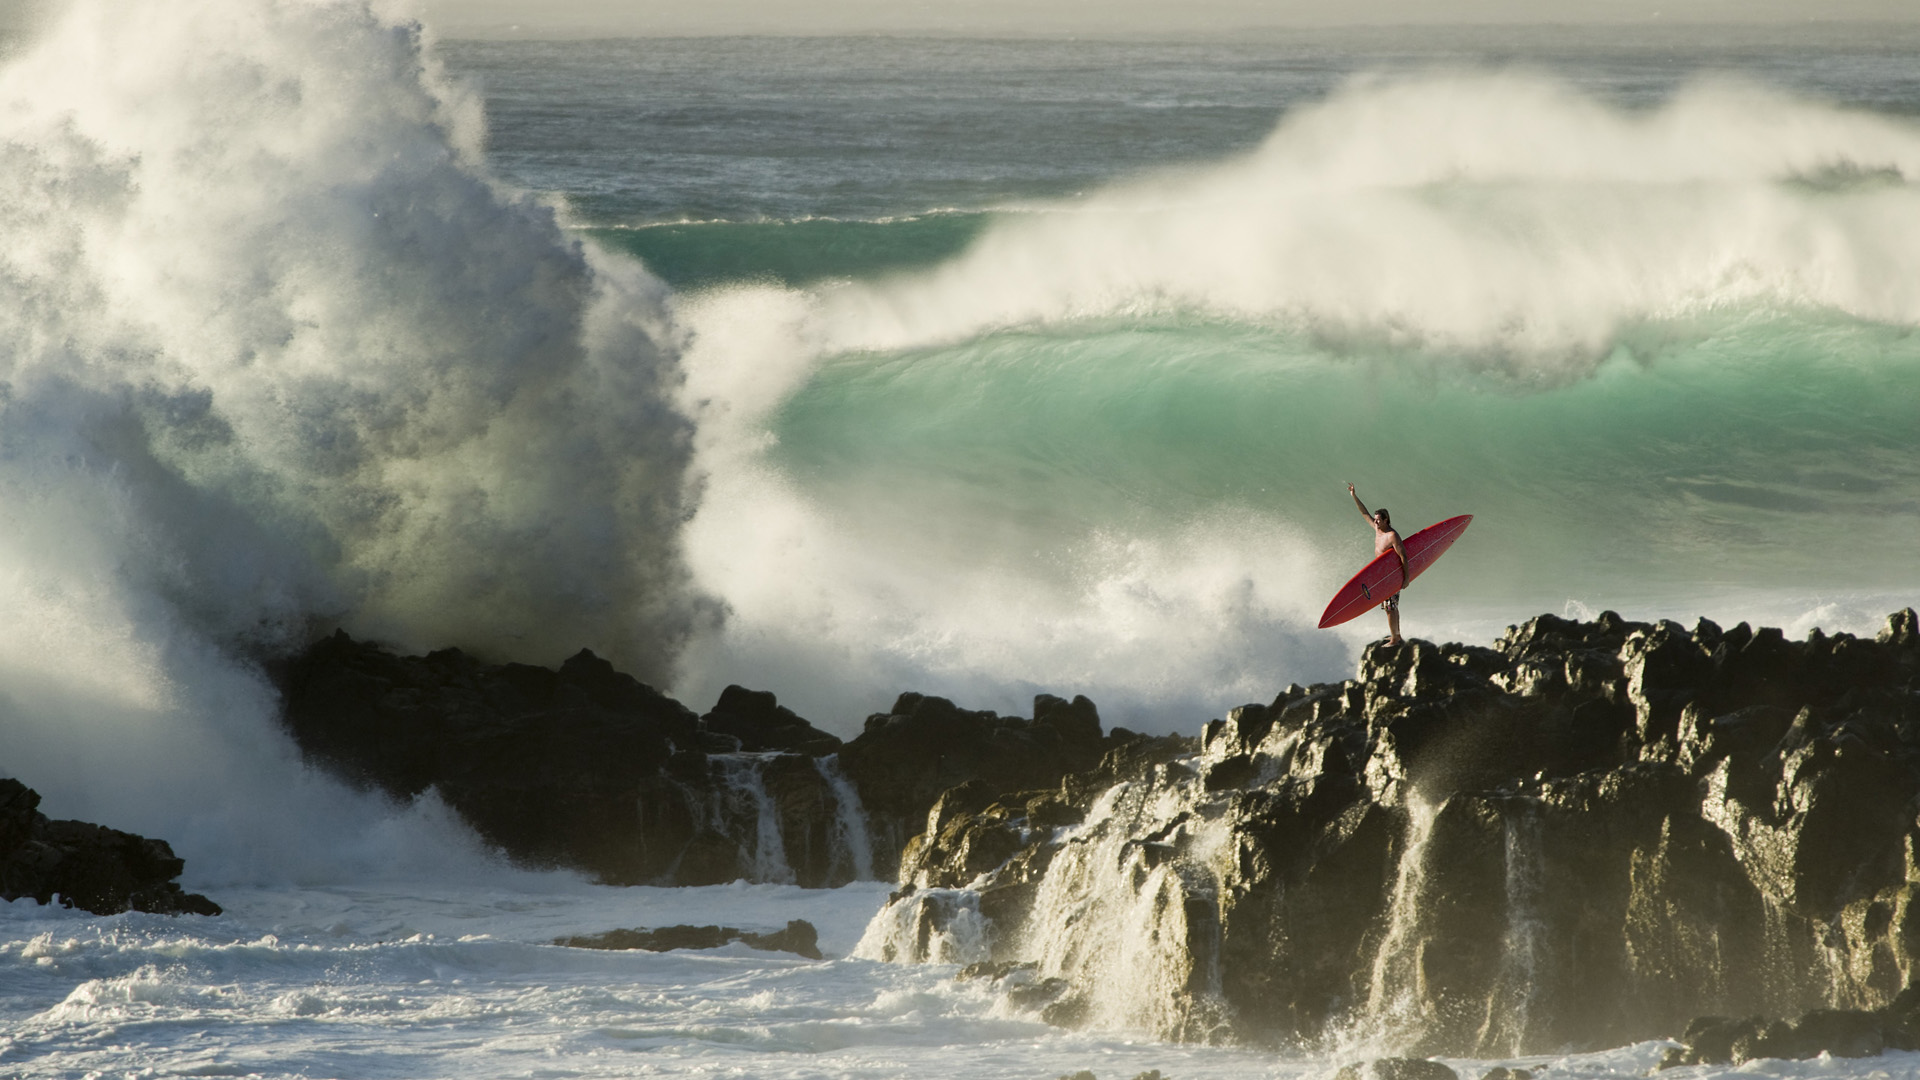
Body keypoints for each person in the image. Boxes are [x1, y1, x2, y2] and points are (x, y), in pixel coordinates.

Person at [1348, 483, 1408, 645]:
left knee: (1390, 607)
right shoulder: (1378, 530)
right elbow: (1364, 512)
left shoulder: (1392, 536)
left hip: (1390, 575)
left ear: (1386, 520)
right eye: (1374, 520)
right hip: (1382, 574)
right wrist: (1354, 495)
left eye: (1378, 520)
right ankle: (1396, 635)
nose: (1375, 522)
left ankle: (1395, 638)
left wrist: (1406, 578)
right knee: (1390, 607)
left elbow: (1403, 556)